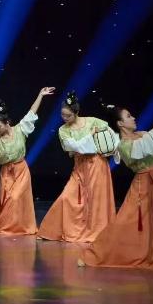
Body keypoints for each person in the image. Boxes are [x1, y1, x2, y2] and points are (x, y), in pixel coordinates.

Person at [81, 105, 153, 269]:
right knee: (126, 221)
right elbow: (145, 146)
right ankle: (99, 253)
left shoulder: (144, 134)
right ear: (120, 123)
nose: (133, 118)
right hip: (143, 185)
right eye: (128, 116)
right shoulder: (123, 145)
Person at [37, 91, 117, 243]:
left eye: (68, 115)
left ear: (76, 113)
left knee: (96, 200)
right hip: (80, 166)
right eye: (62, 115)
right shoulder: (63, 130)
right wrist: (90, 137)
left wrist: (107, 148)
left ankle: (97, 232)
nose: (64, 118)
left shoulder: (93, 121)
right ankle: (58, 230)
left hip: (97, 164)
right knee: (67, 196)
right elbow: (74, 147)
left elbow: (111, 137)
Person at [0, 87, 54, 235]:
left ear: (7, 123)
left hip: (21, 170)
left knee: (16, 197)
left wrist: (40, 95)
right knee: (7, 200)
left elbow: (31, 113)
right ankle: (7, 227)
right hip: (6, 172)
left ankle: (17, 227)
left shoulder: (20, 129)